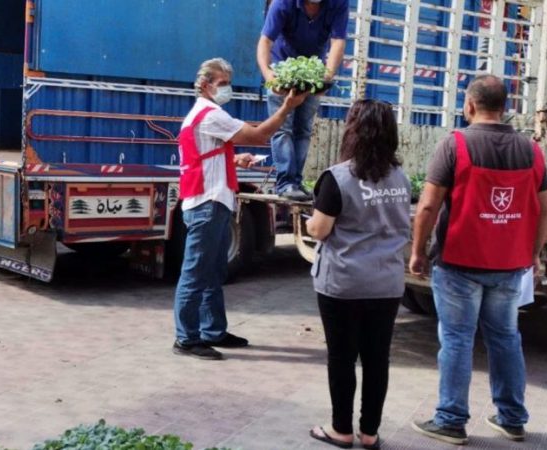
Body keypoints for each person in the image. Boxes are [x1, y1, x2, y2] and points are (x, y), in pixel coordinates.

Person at [409, 75, 547, 445]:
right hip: (509, 265)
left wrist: (417, 251)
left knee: (457, 339)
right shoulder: (533, 151)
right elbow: (545, 211)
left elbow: (427, 205)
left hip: (459, 263)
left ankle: (451, 420)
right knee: (505, 338)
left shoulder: (455, 145)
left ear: (469, 106)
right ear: (505, 108)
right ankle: (512, 418)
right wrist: (533, 256)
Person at [173, 58, 308, 360]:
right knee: (196, 273)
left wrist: (234, 159)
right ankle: (186, 338)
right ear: (206, 85)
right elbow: (259, 135)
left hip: (209, 200)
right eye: (222, 83)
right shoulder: (210, 114)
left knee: (212, 271)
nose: (227, 88)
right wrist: (286, 108)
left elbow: (202, 155)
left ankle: (212, 330)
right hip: (207, 202)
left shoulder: (198, 116)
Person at [305, 99, 411, 449]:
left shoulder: (337, 178)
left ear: (353, 131)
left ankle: (341, 430)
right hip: (387, 284)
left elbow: (320, 230)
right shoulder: (401, 178)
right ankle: (369, 433)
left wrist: (309, 220)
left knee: (342, 357)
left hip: (343, 284)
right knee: (377, 358)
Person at [257, 0, 350, 201]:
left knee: (304, 130)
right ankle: (285, 183)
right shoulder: (283, 3)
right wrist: (269, 77)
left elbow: (338, 42)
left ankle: (295, 182)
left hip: (312, 72)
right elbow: (265, 41)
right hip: (283, 70)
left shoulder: (338, 3)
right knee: (283, 128)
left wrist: (326, 76)